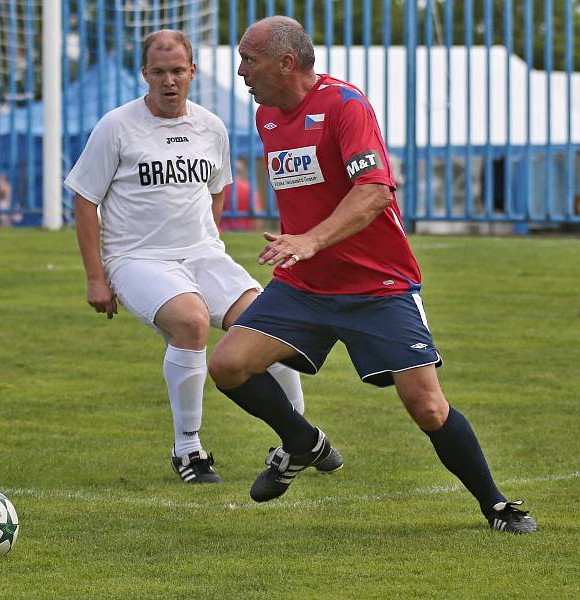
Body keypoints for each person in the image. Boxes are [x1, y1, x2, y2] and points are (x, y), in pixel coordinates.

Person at [208, 16, 537, 533]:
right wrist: (306, 248)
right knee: (228, 365)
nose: (241, 69)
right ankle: (302, 443)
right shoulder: (267, 115)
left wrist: (310, 239)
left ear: (285, 62)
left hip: (377, 286)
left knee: (427, 407)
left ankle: (496, 505)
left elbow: (375, 192)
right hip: (305, 285)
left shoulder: (345, 105)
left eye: (249, 58)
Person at [64, 29, 343, 484]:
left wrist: (205, 242)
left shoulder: (210, 126)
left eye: (177, 71)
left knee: (268, 327)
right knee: (192, 322)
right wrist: (96, 277)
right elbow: (84, 200)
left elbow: (217, 192)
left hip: (201, 254)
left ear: (192, 72)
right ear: (145, 75)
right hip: (138, 259)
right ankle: (188, 450)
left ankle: (295, 437)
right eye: (159, 72)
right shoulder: (117, 126)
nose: (169, 81)